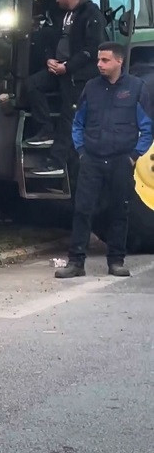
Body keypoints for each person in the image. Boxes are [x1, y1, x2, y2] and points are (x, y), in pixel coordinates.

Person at [55, 42, 153, 279]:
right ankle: (76, 262)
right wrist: (81, 150)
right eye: (99, 60)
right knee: (82, 210)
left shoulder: (137, 87)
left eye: (105, 60)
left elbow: (147, 127)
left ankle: (116, 262)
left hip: (121, 160)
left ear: (119, 61)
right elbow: (78, 122)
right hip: (92, 160)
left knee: (120, 211)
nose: (99, 64)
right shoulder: (91, 88)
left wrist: (134, 156)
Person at [24, 0, 106, 176]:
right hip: (59, 69)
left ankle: (57, 162)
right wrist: (49, 60)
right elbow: (53, 40)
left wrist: (67, 67)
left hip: (78, 75)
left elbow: (92, 50)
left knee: (68, 115)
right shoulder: (63, 14)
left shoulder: (92, 15)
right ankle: (45, 130)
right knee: (31, 84)